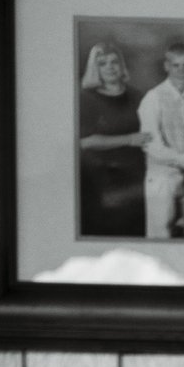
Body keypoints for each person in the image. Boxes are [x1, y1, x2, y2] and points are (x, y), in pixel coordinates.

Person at [75, 44, 143, 239]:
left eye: (114, 62)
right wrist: (129, 139)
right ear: (95, 69)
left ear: (122, 66)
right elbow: (84, 142)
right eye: (102, 63)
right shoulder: (86, 98)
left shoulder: (138, 96)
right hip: (102, 179)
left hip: (138, 176)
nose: (110, 67)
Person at [138, 40, 184, 239]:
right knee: (160, 237)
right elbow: (151, 145)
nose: (181, 70)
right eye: (175, 65)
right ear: (166, 66)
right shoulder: (153, 98)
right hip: (162, 180)